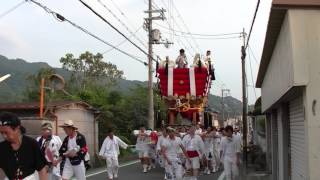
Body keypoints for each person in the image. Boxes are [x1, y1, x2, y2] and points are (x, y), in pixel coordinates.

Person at [0, 112, 48, 180]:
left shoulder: (31, 144)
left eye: (6, 132)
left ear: (17, 128)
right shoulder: (2, 148)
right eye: (1, 133)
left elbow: (42, 169)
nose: (4, 136)